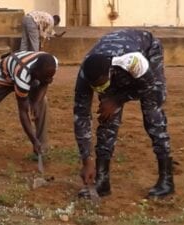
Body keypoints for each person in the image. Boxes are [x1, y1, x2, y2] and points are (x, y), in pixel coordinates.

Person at [74, 29, 174, 199]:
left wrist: (118, 99)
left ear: (110, 72)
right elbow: (81, 116)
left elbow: (149, 86)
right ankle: (102, 181)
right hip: (113, 64)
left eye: (101, 84)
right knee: (107, 118)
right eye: (94, 87)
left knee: (152, 115)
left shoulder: (132, 61)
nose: (98, 90)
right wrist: (86, 160)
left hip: (147, 51)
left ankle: (167, 180)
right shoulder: (85, 74)